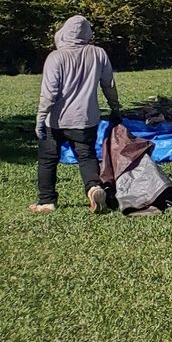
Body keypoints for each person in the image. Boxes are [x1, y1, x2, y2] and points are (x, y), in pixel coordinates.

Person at [33, 14, 120, 213]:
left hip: (55, 121)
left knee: (48, 159)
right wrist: (115, 107)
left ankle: (46, 201)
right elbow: (108, 84)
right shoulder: (98, 54)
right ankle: (94, 188)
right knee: (86, 156)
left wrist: (40, 118)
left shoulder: (55, 57)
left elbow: (49, 94)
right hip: (85, 119)